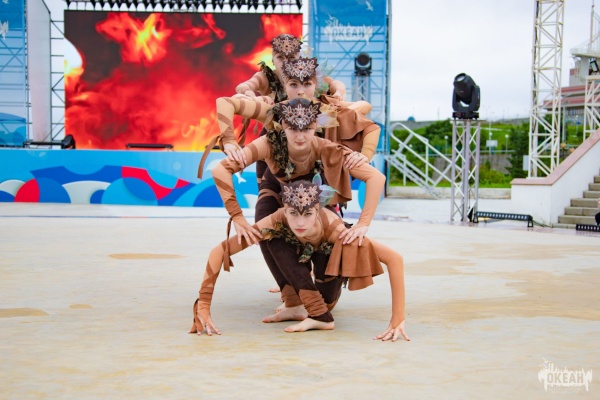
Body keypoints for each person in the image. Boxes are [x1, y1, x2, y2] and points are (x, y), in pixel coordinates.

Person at [207, 97, 386, 325]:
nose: (300, 136)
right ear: (282, 124)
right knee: (268, 229)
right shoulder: (268, 141)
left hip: (317, 208)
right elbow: (221, 170)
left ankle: (319, 300)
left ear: (316, 125)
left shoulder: (327, 147)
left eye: (307, 129)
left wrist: (363, 224)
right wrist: (238, 217)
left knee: (328, 292)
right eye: (293, 128)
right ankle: (293, 300)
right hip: (281, 200)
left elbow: (376, 176)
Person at [190, 179, 410, 342]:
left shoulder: (335, 229)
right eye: (293, 213)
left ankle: (319, 315)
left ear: (317, 210)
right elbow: (219, 251)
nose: (300, 222)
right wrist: (204, 305)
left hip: (325, 289)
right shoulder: (276, 219)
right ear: (284, 210)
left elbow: (395, 259)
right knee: (273, 238)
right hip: (300, 278)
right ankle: (295, 306)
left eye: (307, 214)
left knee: (329, 256)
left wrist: (397, 319)